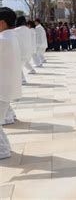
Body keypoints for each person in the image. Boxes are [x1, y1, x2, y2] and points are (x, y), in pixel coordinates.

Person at [0, 8, 22, 159]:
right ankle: (4, 149)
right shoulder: (11, 37)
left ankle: (3, 151)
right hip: (7, 86)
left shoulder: (3, 40)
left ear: (2, 23)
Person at [14, 16, 35, 82]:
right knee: (20, 65)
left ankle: (22, 79)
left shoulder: (16, 30)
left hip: (20, 51)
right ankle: (23, 78)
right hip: (28, 51)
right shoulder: (28, 30)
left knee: (17, 66)